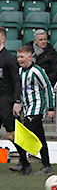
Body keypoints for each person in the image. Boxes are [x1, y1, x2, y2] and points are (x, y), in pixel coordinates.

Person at [16, 45, 55, 175]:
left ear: (30, 57)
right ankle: (46, 164)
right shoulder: (20, 71)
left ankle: (24, 163)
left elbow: (48, 88)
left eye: (22, 57)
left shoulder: (37, 71)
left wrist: (51, 107)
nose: (19, 60)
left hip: (36, 109)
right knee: (40, 137)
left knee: (22, 136)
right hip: (27, 109)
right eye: (18, 57)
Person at [0, 27, 23, 173]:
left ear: (3, 38)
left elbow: (16, 80)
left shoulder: (8, 58)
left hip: (6, 100)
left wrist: (17, 101)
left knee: (11, 134)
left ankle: (23, 160)